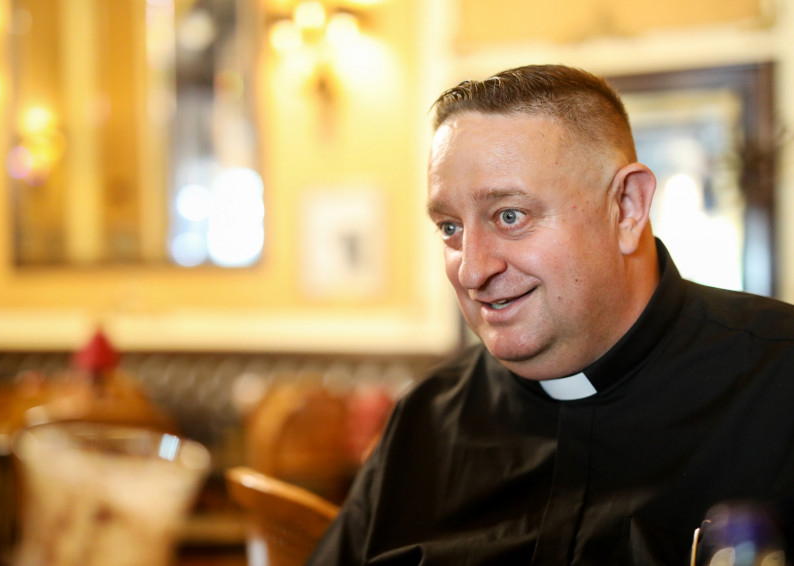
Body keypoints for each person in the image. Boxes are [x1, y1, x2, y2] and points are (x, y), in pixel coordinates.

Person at [306, 64, 794, 565]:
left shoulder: (779, 382)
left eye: (510, 216)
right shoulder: (425, 417)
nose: (471, 271)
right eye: (450, 227)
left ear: (627, 207)